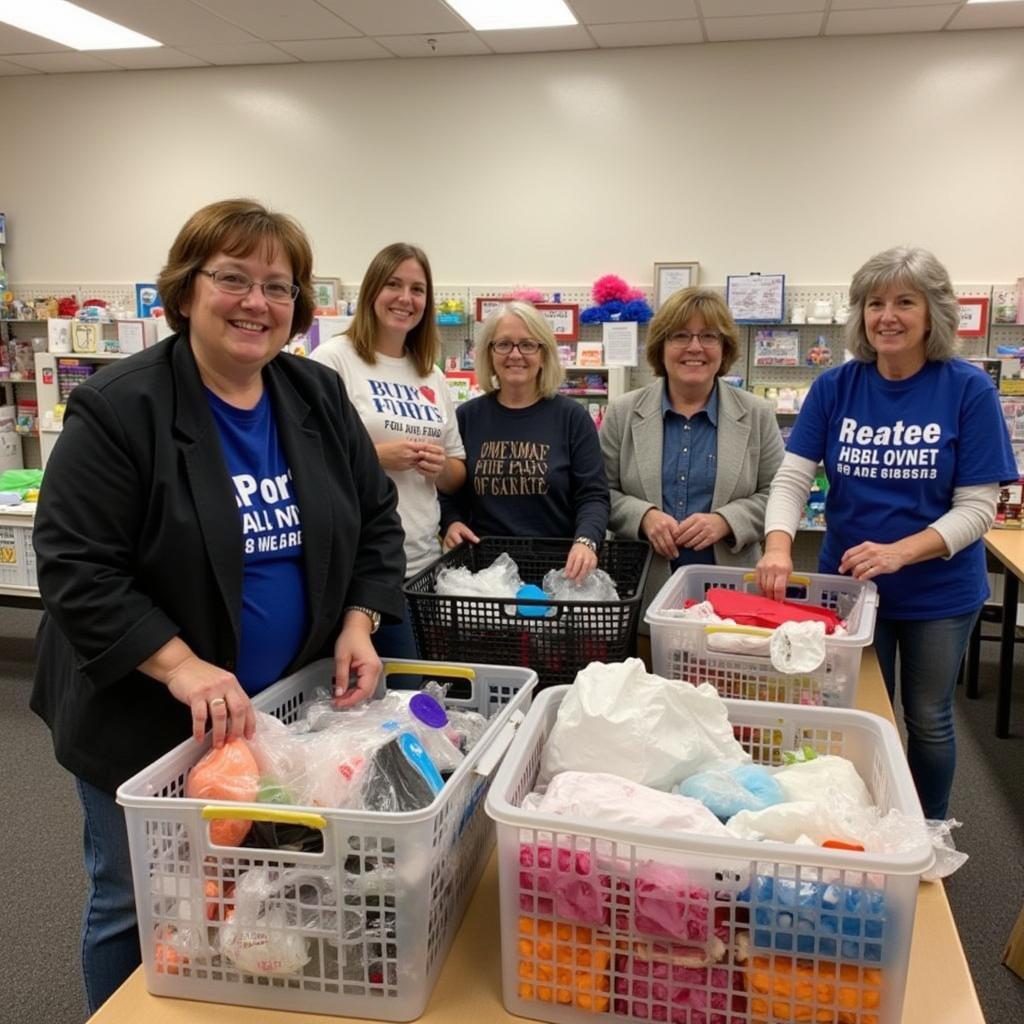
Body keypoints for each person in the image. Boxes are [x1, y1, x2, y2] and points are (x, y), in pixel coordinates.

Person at [30, 199, 406, 1013]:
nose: (256, 302)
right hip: (144, 717)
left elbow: (375, 517)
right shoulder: (122, 407)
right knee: (139, 903)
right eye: (233, 278)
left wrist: (358, 619)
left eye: (279, 285)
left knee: (248, 889)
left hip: (277, 714)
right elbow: (73, 566)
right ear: (186, 290)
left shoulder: (313, 395)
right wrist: (180, 664)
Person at [756, 245, 1017, 820]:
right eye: (875, 303)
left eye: (905, 301)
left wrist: (902, 551)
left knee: (927, 717)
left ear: (933, 314)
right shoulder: (836, 387)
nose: (887, 316)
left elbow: (978, 508)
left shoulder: (967, 389)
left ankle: (928, 829)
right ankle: (856, 822)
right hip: (849, 588)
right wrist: (778, 543)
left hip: (938, 594)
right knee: (859, 711)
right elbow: (793, 479)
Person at [312, 243, 465, 657]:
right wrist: (376, 457)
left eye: (417, 289)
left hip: (422, 562)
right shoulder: (333, 360)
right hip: (360, 568)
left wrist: (438, 466)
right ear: (372, 292)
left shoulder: (429, 373)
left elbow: (456, 472)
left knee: (422, 691)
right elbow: (307, 459)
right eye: (394, 284)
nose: (405, 298)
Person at [600, 287, 785, 613]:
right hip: (642, 588)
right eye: (681, 336)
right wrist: (643, 516)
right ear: (661, 346)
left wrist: (727, 521)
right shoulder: (623, 412)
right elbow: (598, 492)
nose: (695, 347)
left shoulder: (757, 413)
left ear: (724, 348)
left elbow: (779, 495)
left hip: (730, 590)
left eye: (709, 336)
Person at [440, 301, 609, 580]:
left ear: (544, 354)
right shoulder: (467, 417)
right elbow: (448, 491)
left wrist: (586, 541)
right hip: (484, 577)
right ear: (489, 353)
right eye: (504, 344)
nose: (515, 354)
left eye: (528, 345)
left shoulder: (572, 418)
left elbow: (593, 495)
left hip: (560, 573)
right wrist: (451, 522)